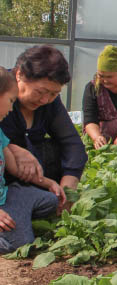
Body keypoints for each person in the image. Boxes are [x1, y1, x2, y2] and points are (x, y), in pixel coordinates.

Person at [0, 45, 87, 194]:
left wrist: (68, 187)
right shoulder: (2, 88)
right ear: (19, 74)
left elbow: (72, 143)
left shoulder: (50, 103)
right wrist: (8, 148)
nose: (45, 100)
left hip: (35, 178)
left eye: (54, 94)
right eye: (40, 92)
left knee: (54, 150)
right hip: (5, 171)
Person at [0, 66, 65, 254]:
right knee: (22, 243)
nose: (12, 107)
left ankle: (17, 216)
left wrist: (47, 183)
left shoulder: (0, 133)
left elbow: (13, 166)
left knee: (50, 201)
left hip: (6, 194)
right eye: (11, 100)